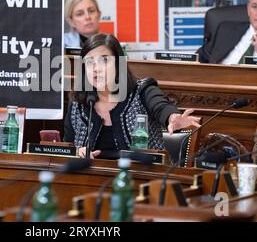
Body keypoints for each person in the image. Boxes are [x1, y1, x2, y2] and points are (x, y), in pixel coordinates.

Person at [63, 34, 200, 160]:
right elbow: (68, 146)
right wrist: (77, 153)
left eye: (104, 60)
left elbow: (160, 106)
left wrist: (172, 117)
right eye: (89, 62)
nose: (96, 68)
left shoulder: (142, 91)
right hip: (92, 179)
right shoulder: (79, 103)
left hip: (144, 177)